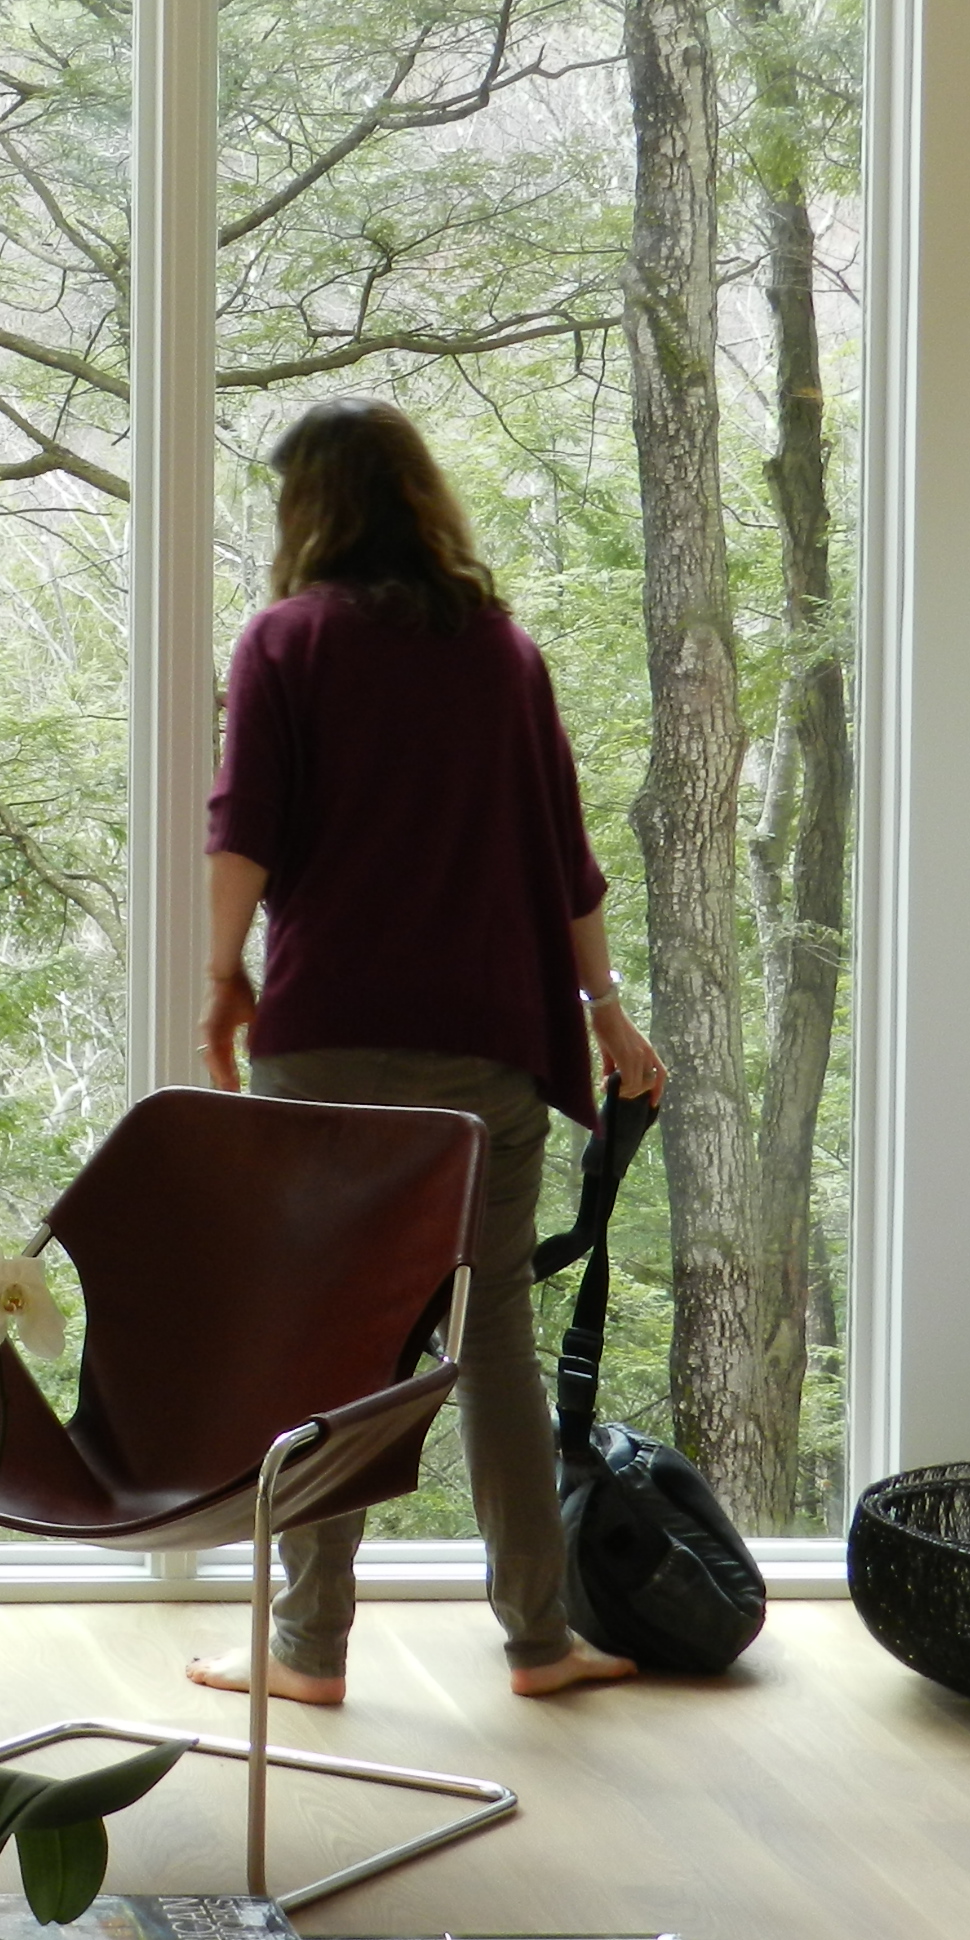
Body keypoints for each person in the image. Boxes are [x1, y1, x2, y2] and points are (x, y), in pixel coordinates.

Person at [195, 395, 666, 1705]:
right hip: (489, 1043)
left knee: (334, 1340)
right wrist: (606, 1011)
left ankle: (308, 1649)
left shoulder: (285, 641)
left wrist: (218, 981)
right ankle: (540, 1640)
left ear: (311, 509)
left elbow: (246, 831)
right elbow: (565, 855)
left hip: (330, 1042)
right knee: (494, 1332)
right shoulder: (501, 651)